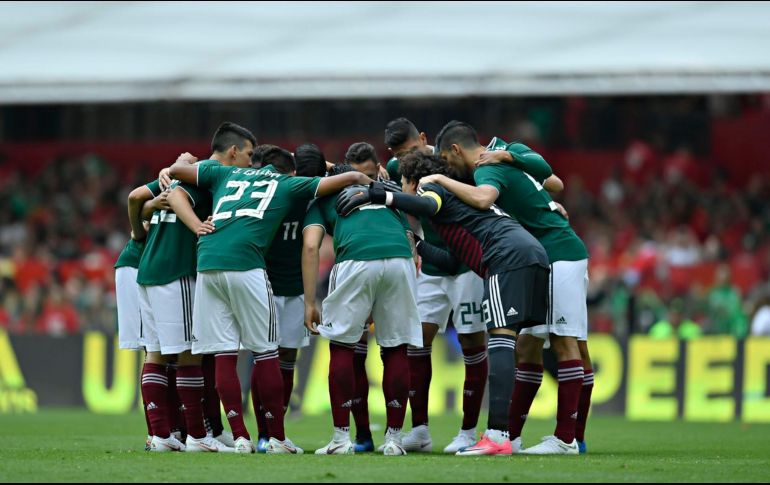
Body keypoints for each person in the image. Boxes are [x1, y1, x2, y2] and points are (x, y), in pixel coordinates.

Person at [168, 131, 371, 455]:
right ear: (289, 170)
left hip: (208, 260)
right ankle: (276, 438)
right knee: (266, 353)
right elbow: (344, 180)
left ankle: (240, 437)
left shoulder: (226, 173)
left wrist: (179, 163)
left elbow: (177, 172)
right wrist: (363, 177)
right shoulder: (287, 184)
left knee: (224, 352)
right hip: (246, 264)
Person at [337, 152, 550, 456]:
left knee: (500, 342)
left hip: (507, 257)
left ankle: (497, 435)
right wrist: (418, 244)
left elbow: (427, 204)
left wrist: (379, 195)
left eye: (404, 183)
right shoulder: (453, 208)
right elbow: (451, 261)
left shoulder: (431, 187)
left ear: (413, 182)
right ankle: (506, 437)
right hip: (530, 255)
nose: (404, 188)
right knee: (514, 343)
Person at [420, 121, 592, 455]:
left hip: (559, 252)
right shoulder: (504, 150)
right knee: (528, 345)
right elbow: (552, 183)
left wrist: (440, 180)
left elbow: (485, 199)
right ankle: (510, 435)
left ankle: (567, 439)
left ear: (456, 150)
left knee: (565, 341)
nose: (447, 168)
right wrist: (539, 199)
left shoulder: (487, 167)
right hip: (542, 256)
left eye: (446, 160)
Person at [384, 118, 488, 454]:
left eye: (408, 151)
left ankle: (468, 431)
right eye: (397, 155)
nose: (403, 159)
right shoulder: (398, 168)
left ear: (423, 139)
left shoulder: (452, 161)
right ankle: (420, 430)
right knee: (418, 341)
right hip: (431, 264)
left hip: (466, 264)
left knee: (472, 342)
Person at [303, 163, 421, 456]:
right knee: (396, 348)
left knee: (342, 347)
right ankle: (394, 439)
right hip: (400, 259)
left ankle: (341, 439)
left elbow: (311, 247)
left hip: (355, 259)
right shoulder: (383, 192)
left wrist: (309, 302)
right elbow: (410, 239)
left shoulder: (323, 198)